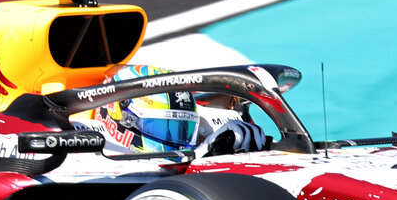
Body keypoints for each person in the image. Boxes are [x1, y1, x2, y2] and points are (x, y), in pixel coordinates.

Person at [77, 65, 270, 157]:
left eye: (181, 128)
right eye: (160, 126)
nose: (174, 140)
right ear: (122, 116)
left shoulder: (212, 129)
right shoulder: (83, 147)